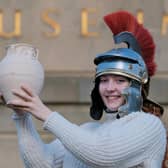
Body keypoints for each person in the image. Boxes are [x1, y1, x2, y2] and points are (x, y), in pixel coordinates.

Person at [0, 10, 167, 168]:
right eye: (103, 80)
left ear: (137, 85)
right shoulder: (88, 131)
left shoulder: (149, 125)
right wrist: (22, 115)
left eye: (120, 80)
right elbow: (44, 163)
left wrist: (44, 113)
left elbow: (102, 153)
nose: (109, 88)